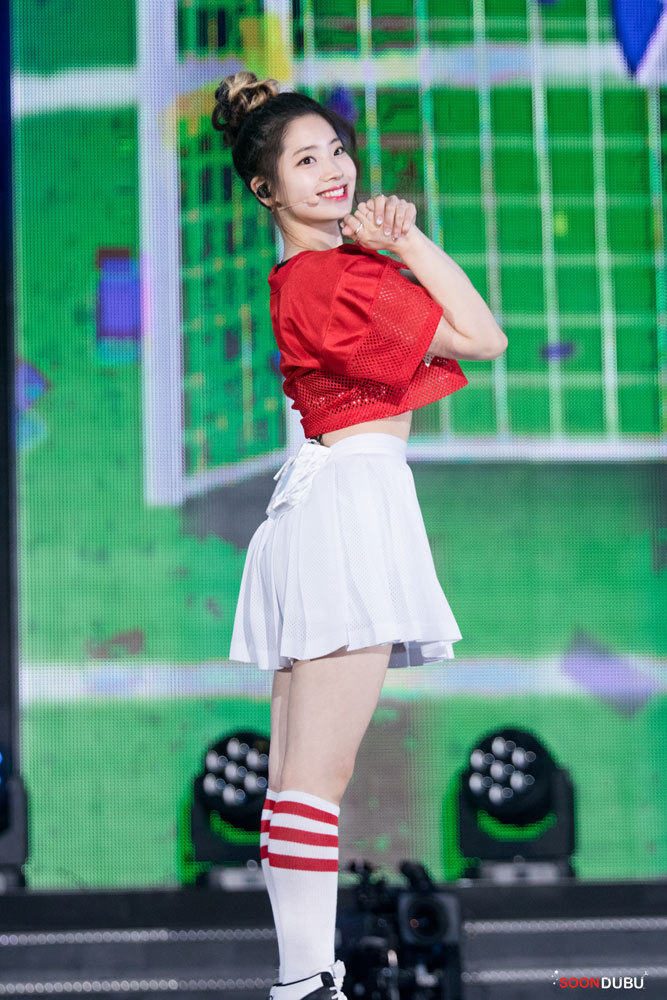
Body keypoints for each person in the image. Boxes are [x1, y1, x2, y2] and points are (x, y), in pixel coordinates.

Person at [212, 71, 507, 1000]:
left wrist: (382, 244)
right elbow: (482, 336)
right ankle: (305, 981)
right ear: (266, 190)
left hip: (320, 507)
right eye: (306, 161)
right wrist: (406, 238)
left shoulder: (310, 274)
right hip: (348, 505)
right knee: (314, 779)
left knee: (293, 782)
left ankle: (303, 976)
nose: (334, 170)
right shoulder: (337, 278)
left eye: (335, 150)